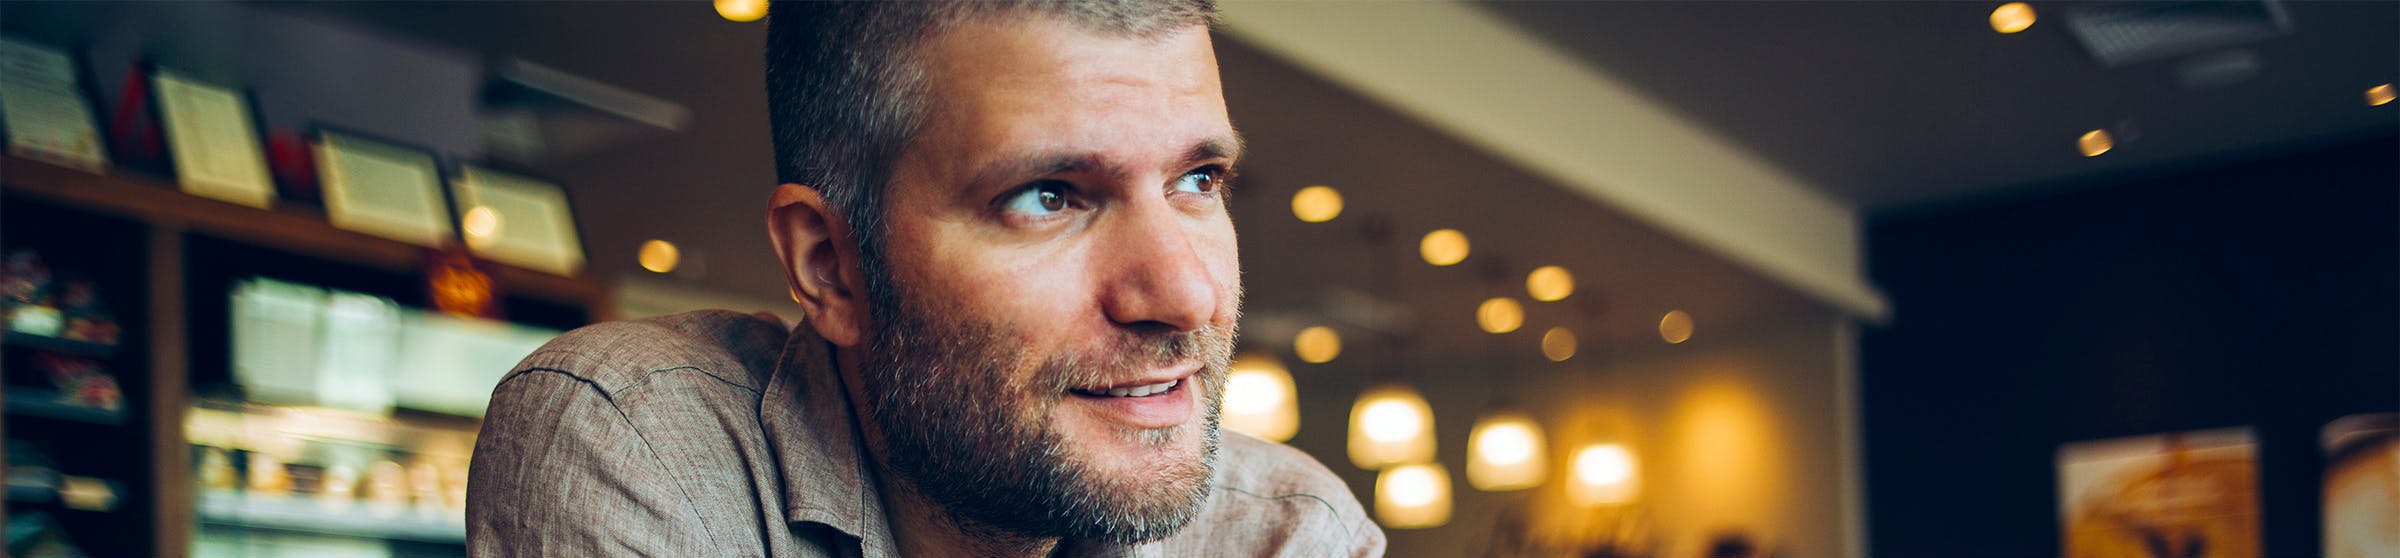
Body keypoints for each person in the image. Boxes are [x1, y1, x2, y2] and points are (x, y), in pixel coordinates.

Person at [463, 2, 1386, 556]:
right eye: (1049, 196)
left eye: (1198, 182)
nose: (1185, 295)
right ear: (830, 266)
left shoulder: (1286, 533)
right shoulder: (645, 442)